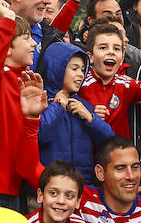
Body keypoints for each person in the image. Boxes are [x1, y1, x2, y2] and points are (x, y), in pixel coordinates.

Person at [0, 1, 45, 210]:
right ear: (5, 48)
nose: (34, 44)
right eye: (26, 38)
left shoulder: (27, 80)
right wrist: (7, 19)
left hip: (17, 184)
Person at [78, 21, 141, 141]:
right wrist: (89, 113)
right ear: (90, 56)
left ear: (122, 58)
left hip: (120, 156)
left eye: (117, 48)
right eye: (103, 47)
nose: (111, 52)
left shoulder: (126, 85)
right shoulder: (79, 84)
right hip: (87, 156)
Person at [38, 40, 115, 175]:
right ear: (56, 68)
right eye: (74, 69)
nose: (81, 74)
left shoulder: (83, 105)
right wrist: (57, 105)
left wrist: (91, 118)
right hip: (51, 185)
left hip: (83, 184)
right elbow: (41, 136)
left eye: (82, 69)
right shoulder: (41, 101)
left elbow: (109, 141)